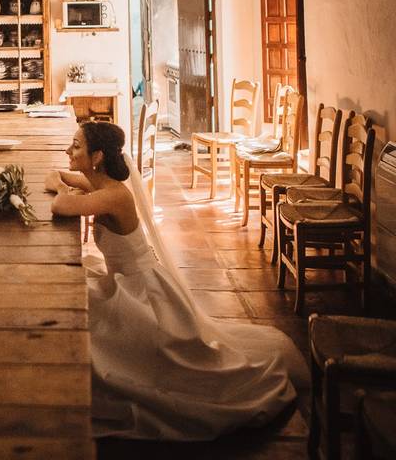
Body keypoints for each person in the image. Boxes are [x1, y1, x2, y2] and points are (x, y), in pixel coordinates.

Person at [44, 121, 306, 440]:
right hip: (124, 280)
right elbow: (54, 177)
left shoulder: (114, 195)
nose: (68, 151)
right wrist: (67, 184)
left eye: (75, 146)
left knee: (84, 313)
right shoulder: (97, 182)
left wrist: (65, 190)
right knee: (77, 295)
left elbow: (61, 203)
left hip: (143, 292)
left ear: (96, 156)